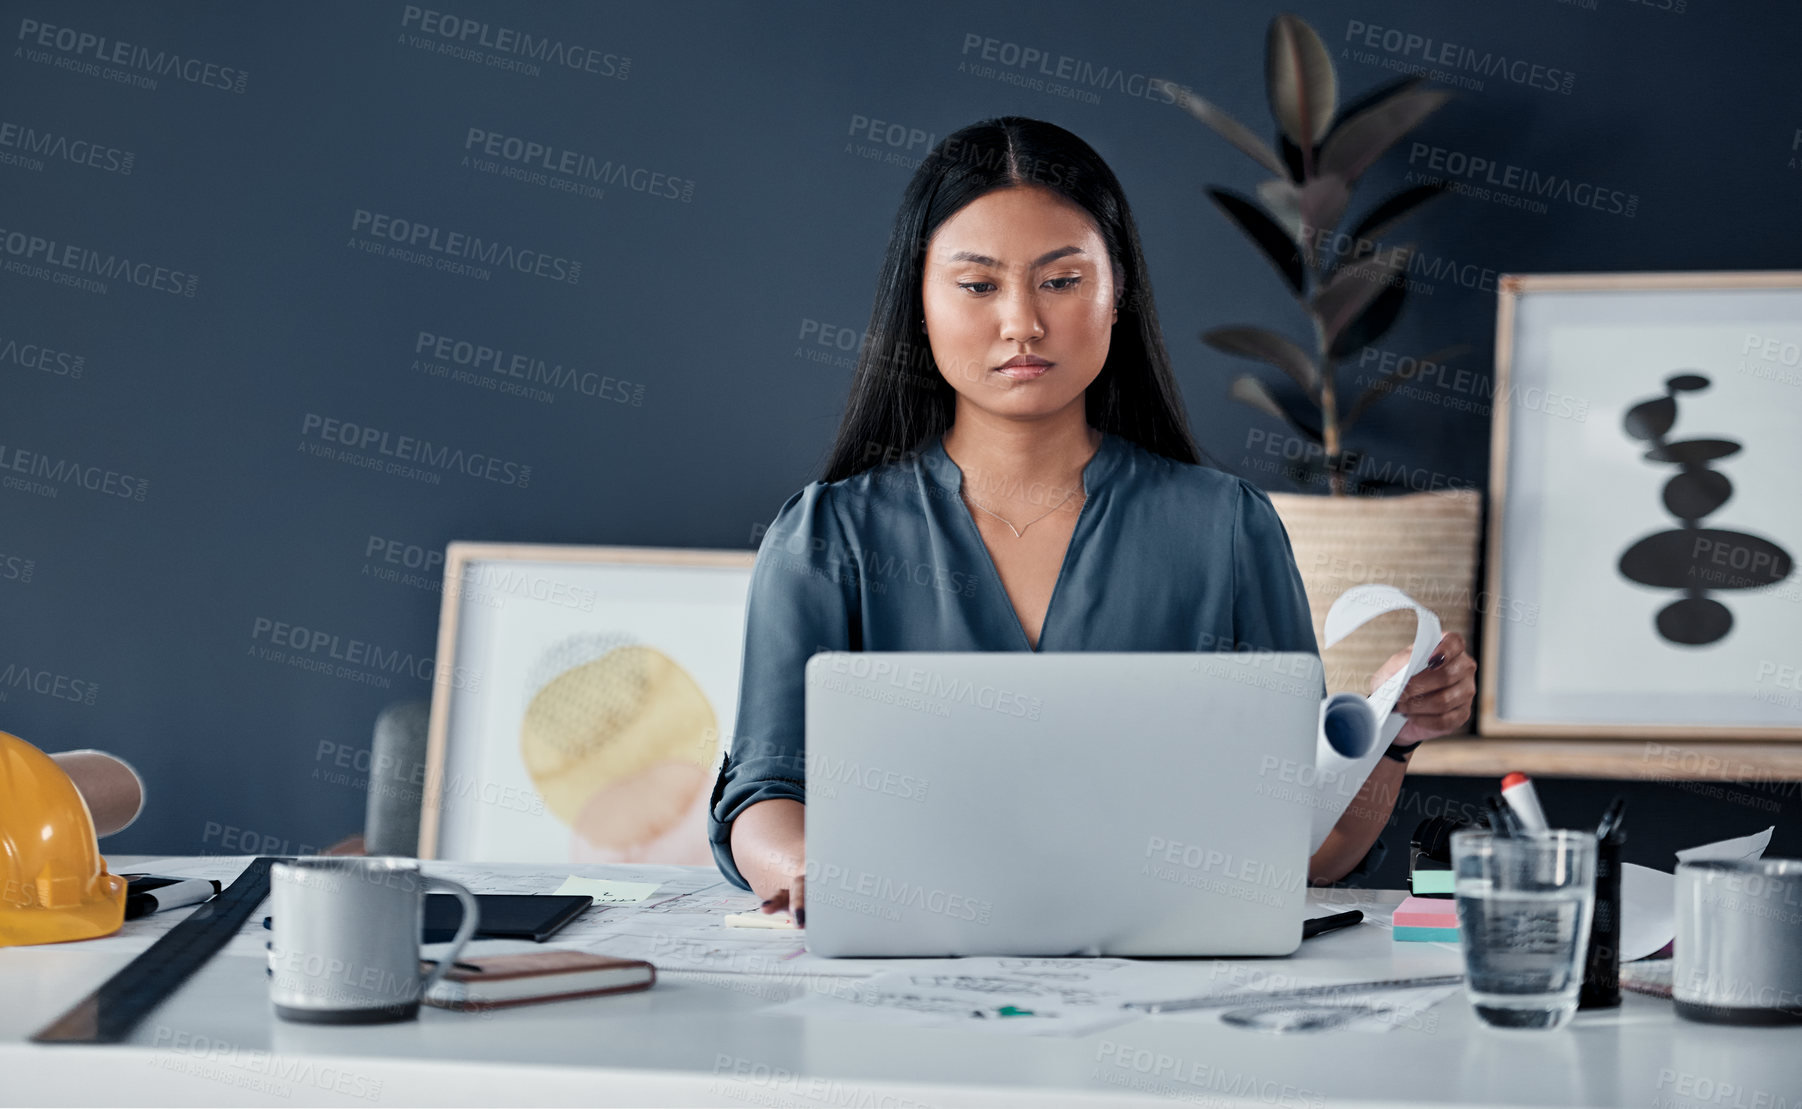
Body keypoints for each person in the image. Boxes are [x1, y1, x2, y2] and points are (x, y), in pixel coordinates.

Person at [708, 116, 1475, 923]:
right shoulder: (828, 537)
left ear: (1119, 297)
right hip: (897, 978)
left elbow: (1302, 849)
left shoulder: (1228, 529)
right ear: (919, 304)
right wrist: (810, 869)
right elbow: (764, 795)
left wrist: (1394, 736)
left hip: (1164, 999)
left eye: (1061, 280)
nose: (1022, 324)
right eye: (978, 285)